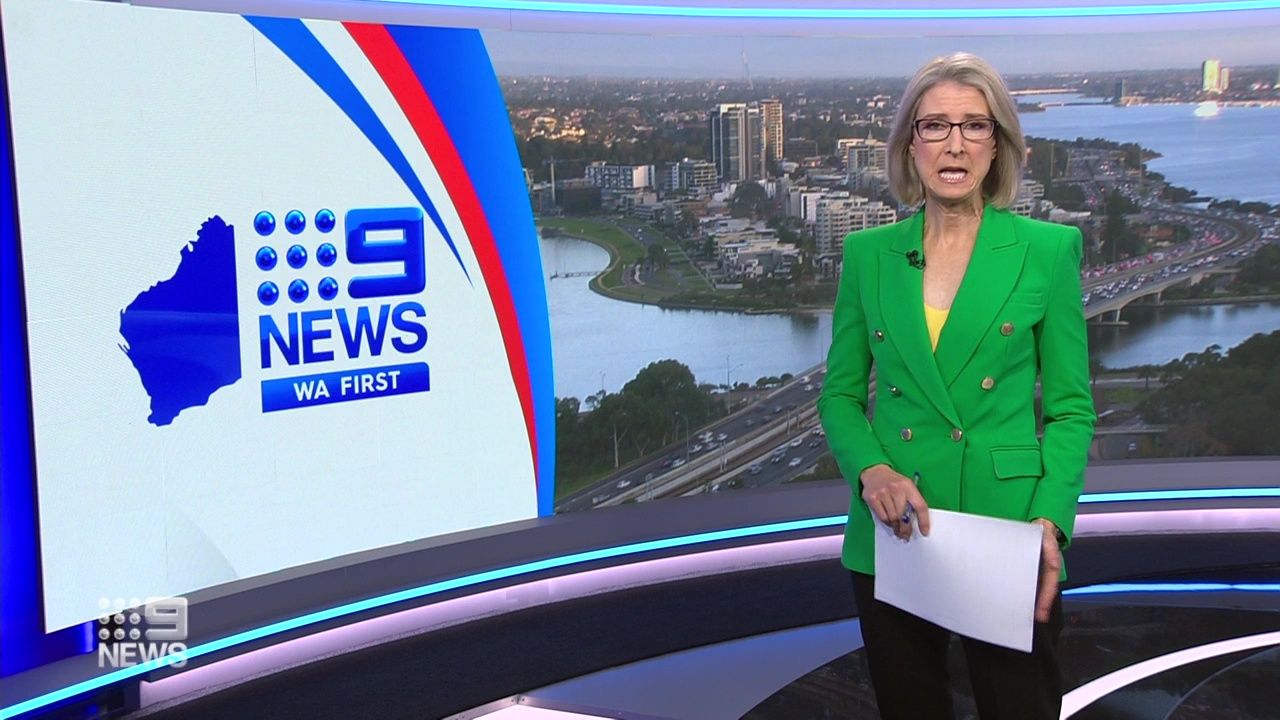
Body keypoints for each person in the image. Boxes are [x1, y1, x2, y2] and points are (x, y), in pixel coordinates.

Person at [817, 52, 1096, 720]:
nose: (954, 143)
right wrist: (873, 471)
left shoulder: (1047, 251)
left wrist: (1050, 523)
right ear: (909, 144)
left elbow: (1070, 409)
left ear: (996, 144)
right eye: (935, 125)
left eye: (974, 125)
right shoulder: (868, 256)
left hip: (1007, 531)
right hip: (896, 532)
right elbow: (840, 395)